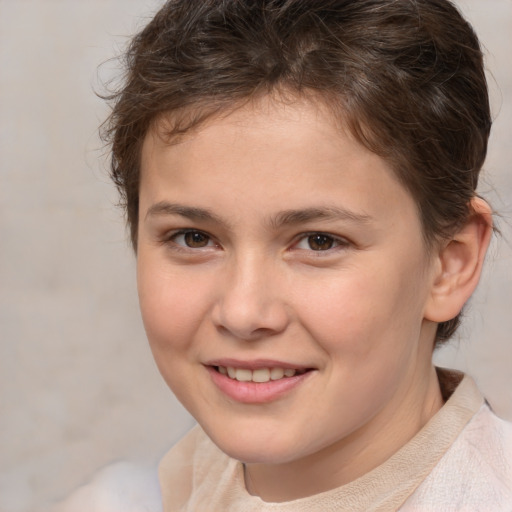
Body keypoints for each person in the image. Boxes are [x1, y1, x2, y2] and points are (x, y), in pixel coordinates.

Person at [56, 0, 512, 510]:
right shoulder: (159, 489)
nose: (244, 312)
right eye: (194, 237)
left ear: (451, 263)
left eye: (319, 241)